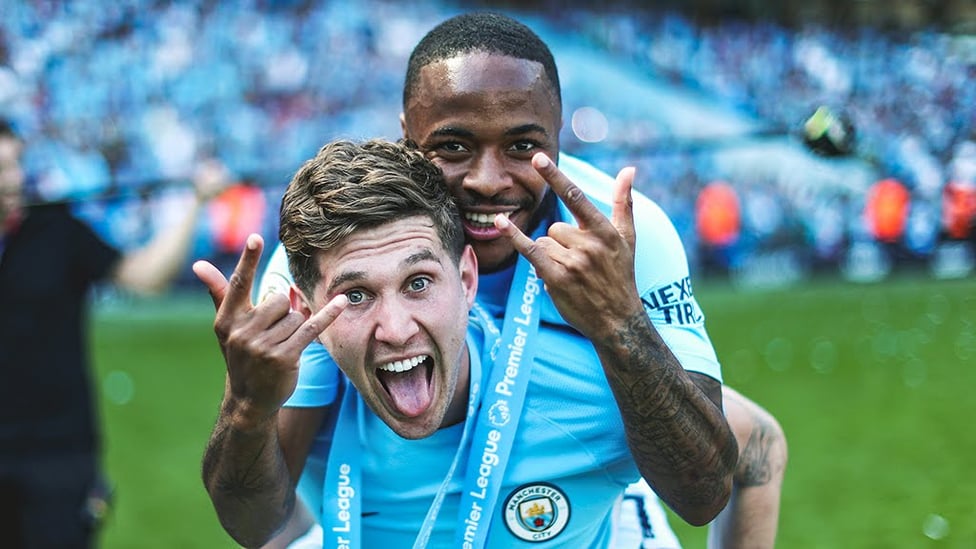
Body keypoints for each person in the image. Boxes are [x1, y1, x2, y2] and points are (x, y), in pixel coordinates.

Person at [258, 12, 787, 549]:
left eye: (522, 147)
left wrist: (617, 318)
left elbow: (704, 490)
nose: (488, 182)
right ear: (406, 137)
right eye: (455, 147)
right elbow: (262, 511)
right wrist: (245, 399)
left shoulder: (626, 232)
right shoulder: (340, 250)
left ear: (559, 140)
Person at [0, 117, 228, 548]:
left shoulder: (56, 230)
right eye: (1, 169)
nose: (12, 180)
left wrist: (196, 203)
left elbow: (144, 278)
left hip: (58, 453)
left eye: (14, 166)